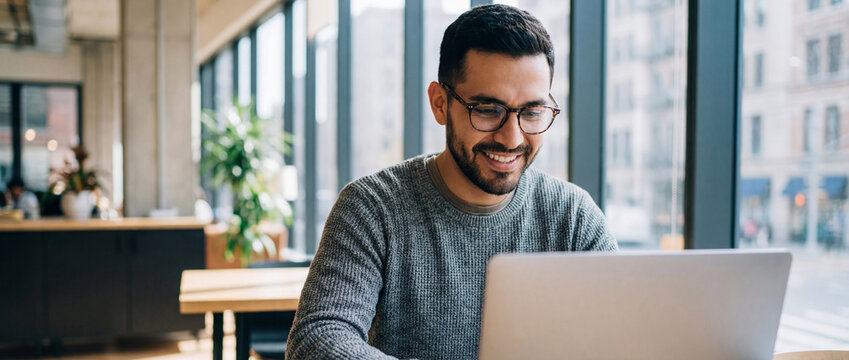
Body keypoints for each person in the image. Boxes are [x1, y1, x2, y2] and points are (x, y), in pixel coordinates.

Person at [286, 4, 617, 359]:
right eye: (488, 110)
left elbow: (625, 332)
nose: (512, 138)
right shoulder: (371, 206)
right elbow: (317, 338)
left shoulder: (573, 215)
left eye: (532, 112)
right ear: (440, 103)